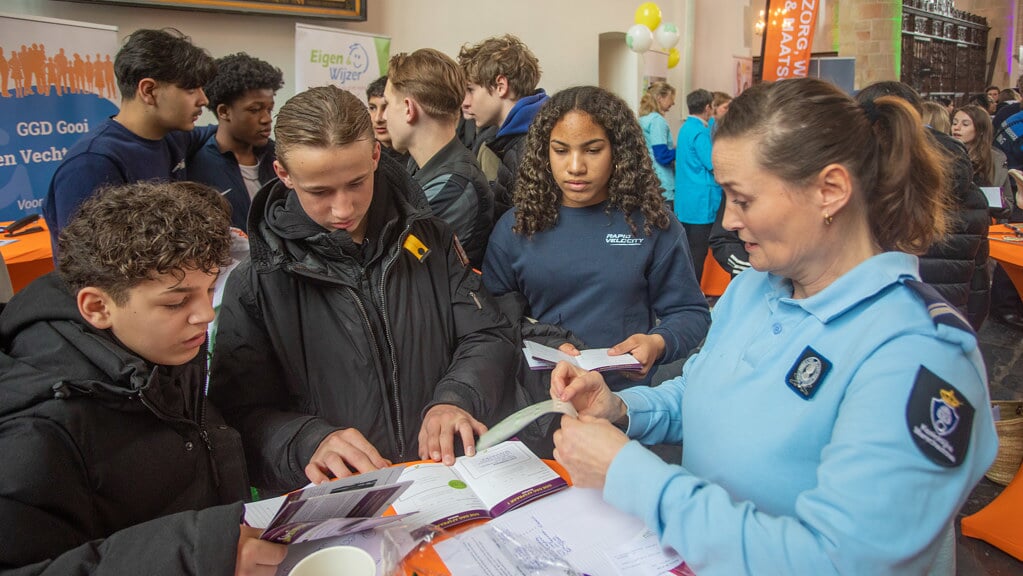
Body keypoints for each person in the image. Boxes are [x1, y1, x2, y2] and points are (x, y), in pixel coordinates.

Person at [549, 77, 998, 576]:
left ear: (830, 191)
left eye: (743, 199)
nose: (730, 221)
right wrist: (622, 408)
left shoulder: (919, 352)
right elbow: (700, 392)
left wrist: (633, 477)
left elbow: (840, 561)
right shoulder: (753, 290)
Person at [208, 86, 518, 492]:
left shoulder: (430, 238)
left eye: (356, 182)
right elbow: (238, 415)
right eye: (319, 191)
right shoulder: (257, 281)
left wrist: (456, 397)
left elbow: (487, 333)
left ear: (376, 155)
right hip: (341, 502)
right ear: (283, 173)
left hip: (442, 483)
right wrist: (307, 441)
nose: (343, 209)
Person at [0, 181, 286, 575]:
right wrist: (195, 556)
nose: (205, 313)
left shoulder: (157, 344)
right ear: (98, 306)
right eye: (176, 300)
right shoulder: (36, 432)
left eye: (208, 289)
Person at [482, 86, 710, 392]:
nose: (575, 166)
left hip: (624, 400)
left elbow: (690, 313)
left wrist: (658, 342)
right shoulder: (516, 226)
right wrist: (543, 340)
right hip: (539, 397)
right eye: (561, 150)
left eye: (592, 150)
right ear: (543, 152)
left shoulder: (652, 225)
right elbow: (492, 317)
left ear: (617, 150)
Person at [43, 28, 216, 249]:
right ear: (148, 90)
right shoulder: (91, 163)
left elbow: (218, 132)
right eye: (191, 89)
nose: (203, 99)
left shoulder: (174, 137)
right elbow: (87, 259)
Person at [857, 82, 991, 332]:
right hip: (946, 327)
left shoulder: (859, 191)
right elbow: (979, 287)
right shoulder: (973, 196)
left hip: (876, 330)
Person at [384, 48, 494, 268]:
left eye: (387, 104)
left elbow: (392, 262)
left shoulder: (455, 186)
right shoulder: (420, 163)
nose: (383, 116)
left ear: (408, 108)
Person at [187, 52, 284, 231]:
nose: (266, 119)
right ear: (224, 111)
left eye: (269, 109)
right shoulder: (197, 166)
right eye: (255, 110)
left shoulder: (279, 157)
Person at [459, 34, 546, 215]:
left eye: (470, 90)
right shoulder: (523, 135)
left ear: (501, 86)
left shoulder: (532, 145)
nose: (464, 103)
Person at [674, 88, 720, 283]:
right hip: (701, 201)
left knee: (688, 251)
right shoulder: (700, 133)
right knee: (698, 253)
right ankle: (695, 293)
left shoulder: (685, 128)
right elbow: (712, 163)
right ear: (708, 107)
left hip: (686, 200)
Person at [952, 104, 1010, 209]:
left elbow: (1008, 204)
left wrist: (994, 203)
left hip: (987, 219)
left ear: (981, 130)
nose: (957, 127)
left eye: (965, 124)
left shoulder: (996, 160)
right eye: (954, 123)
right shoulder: (944, 154)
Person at [637, 82, 676, 211]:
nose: (673, 103)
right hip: (662, 182)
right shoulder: (657, 121)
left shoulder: (643, 119)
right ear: (660, 98)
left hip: (648, 178)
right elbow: (662, 156)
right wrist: (680, 150)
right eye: (671, 98)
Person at [366, 75, 409, 164]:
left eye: (386, 107)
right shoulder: (366, 157)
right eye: (372, 108)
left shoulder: (419, 156)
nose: (378, 118)